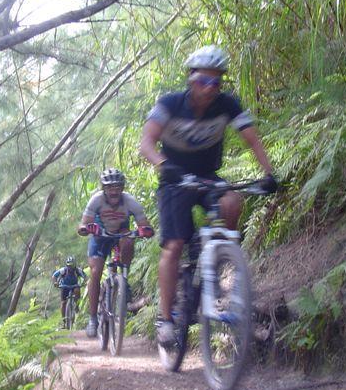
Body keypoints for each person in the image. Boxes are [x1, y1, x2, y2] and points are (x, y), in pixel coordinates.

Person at [139, 45, 278, 347]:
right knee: (174, 245)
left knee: (232, 202)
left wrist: (269, 174)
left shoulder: (227, 104)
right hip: (175, 179)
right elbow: (147, 143)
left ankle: (216, 267)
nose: (210, 88)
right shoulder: (170, 103)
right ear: (190, 79)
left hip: (207, 176)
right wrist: (165, 166)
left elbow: (252, 139)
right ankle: (165, 318)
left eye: (216, 82)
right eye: (203, 81)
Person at [77, 168, 154, 338]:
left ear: (122, 187)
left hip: (121, 232)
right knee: (95, 272)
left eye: (118, 187)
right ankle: (92, 318)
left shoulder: (130, 201)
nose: (114, 191)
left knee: (128, 240)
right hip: (100, 235)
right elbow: (83, 224)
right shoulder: (96, 200)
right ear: (103, 188)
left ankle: (123, 280)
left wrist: (145, 230)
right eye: (110, 187)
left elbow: (144, 223)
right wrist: (85, 228)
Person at [52, 256, 87, 328]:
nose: (70, 267)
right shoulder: (63, 270)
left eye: (71, 265)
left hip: (74, 286)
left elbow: (85, 277)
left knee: (77, 290)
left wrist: (84, 282)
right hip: (64, 286)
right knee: (63, 303)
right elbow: (54, 276)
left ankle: (76, 305)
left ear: (74, 265)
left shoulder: (78, 270)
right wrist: (55, 283)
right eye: (69, 265)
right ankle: (64, 321)